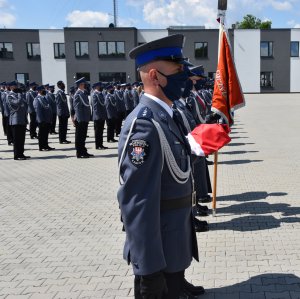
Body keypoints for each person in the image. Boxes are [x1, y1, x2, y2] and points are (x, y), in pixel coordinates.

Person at [118, 34, 203, 299]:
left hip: (174, 235)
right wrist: (149, 270)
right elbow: (137, 201)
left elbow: (180, 162)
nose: (184, 76)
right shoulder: (143, 125)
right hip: (159, 247)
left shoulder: (169, 113)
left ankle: (178, 282)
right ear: (155, 76)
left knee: (175, 284)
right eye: (178, 71)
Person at [7, 81, 29, 160]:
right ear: (11, 87)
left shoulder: (19, 94)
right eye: (15, 86)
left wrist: (21, 95)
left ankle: (21, 154)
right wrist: (20, 94)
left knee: (22, 138)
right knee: (16, 139)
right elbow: (18, 103)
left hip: (22, 119)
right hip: (15, 120)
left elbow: (25, 104)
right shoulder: (10, 96)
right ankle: (16, 155)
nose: (17, 87)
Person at [73, 77, 93, 158]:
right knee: (79, 136)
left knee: (83, 136)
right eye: (83, 84)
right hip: (81, 119)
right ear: (80, 85)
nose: (85, 85)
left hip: (84, 118)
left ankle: (84, 151)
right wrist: (81, 119)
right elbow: (77, 108)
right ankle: (79, 152)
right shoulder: (78, 94)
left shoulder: (83, 93)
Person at [33, 86, 54, 151]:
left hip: (47, 119)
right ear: (39, 91)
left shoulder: (44, 98)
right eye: (42, 90)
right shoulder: (37, 99)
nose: (44, 91)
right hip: (42, 120)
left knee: (46, 133)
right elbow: (38, 111)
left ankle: (46, 145)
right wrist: (41, 120)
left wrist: (50, 118)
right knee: (41, 134)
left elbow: (48, 108)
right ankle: (41, 146)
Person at [91, 82, 108, 150]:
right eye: (99, 86)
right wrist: (98, 116)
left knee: (101, 131)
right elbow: (95, 107)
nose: (101, 87)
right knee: (98, 132)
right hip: (98, 116)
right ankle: (98, 145)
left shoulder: (100, 94)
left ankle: (101, 144)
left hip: (102, 115)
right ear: (96, 87)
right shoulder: (95, 94)